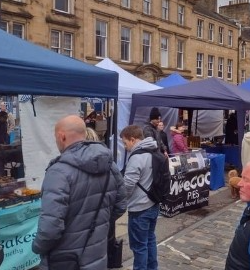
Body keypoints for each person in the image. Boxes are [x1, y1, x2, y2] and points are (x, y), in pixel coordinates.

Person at [32, 115, 121, 270]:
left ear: (62, 136)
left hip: (66, 259)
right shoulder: (109, 164)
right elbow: (121, 204)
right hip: (97, 255)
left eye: (56, 137)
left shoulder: (58, 172)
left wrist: (37, 247)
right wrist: (99, 226)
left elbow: (50, 228)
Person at [118, 125, 160, 270]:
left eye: (125, 143)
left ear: (133, 139)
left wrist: (120, 201)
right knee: (150, 240)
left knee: (139, 246)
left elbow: (128, 185)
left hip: (140, 207)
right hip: (153, 204)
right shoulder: (154, 150)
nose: (125, 147)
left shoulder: (137, 157)